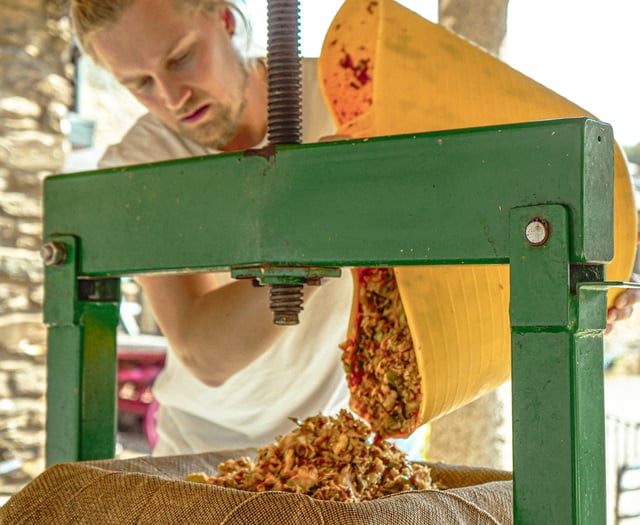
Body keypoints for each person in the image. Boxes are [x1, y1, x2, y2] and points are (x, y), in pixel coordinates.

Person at [70, 0, 638, 457]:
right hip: (203, 450)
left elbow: (485, 211)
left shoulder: (356, 94)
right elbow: (203, 354)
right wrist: (318, 231)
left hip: (348, 445)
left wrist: (583, 269)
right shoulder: (139, 164)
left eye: (180, 58)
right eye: (138, 83)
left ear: (224, 19)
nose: (170, 97)